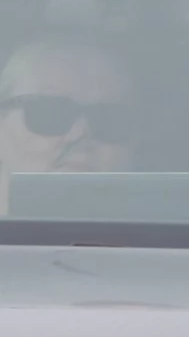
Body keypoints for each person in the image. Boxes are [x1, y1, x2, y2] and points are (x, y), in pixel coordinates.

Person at [0, 37, 137, 215]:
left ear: (136, 142)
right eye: (51, 112)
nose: (80, 132)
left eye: (109, 119)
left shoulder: (172, 236)